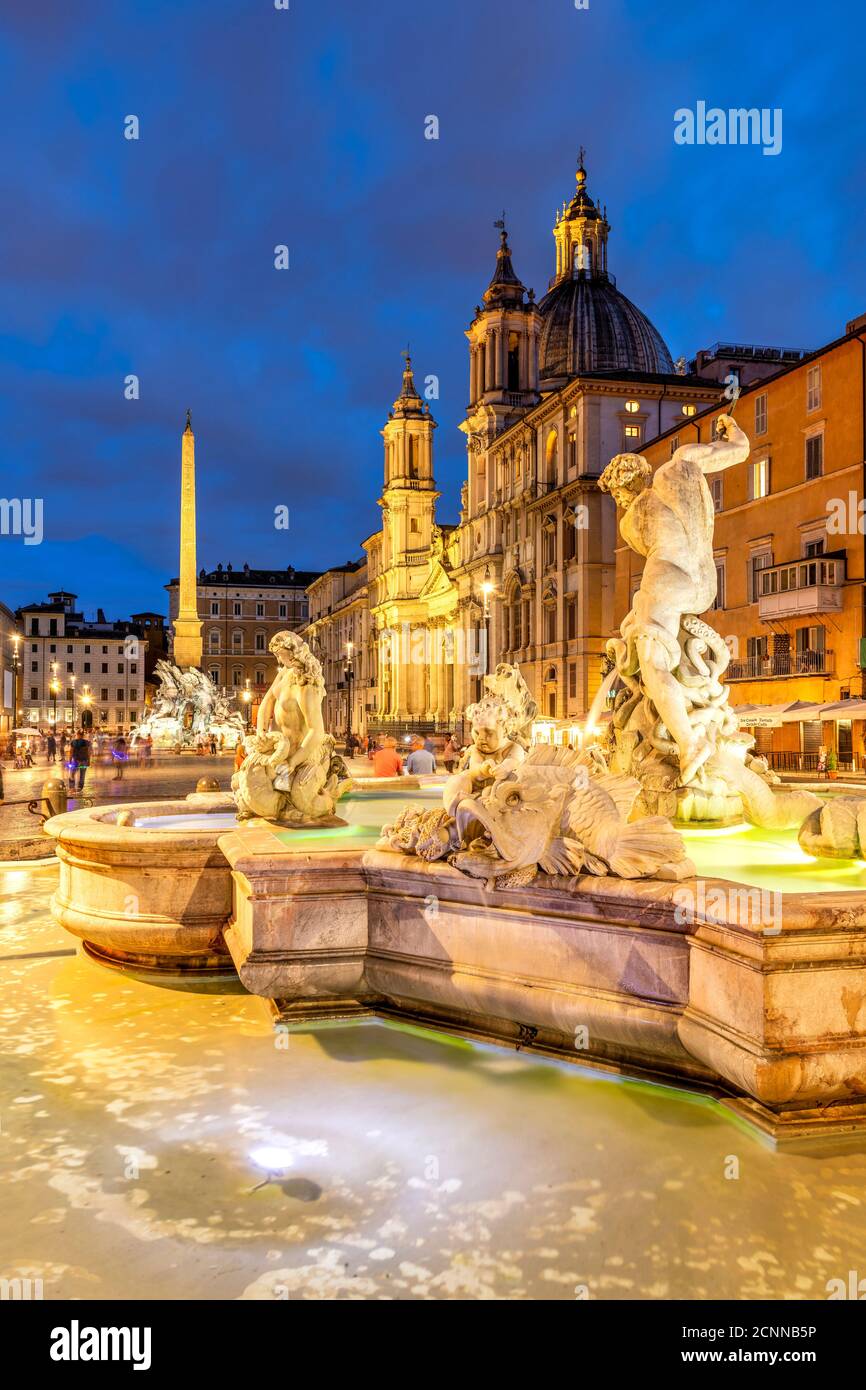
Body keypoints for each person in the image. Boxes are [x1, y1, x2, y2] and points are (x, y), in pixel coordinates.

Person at [599, 413, 750, 785]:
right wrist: (732, 429)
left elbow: (646, 548)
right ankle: (690, 720)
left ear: (621, 490)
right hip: (701, 582)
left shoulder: (629, 520)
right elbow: (739, 450)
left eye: (616, 494)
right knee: (639, 626)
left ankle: (689, 741)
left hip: (664, 580)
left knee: (652, 663)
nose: (618, 501)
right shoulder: (677, 467)